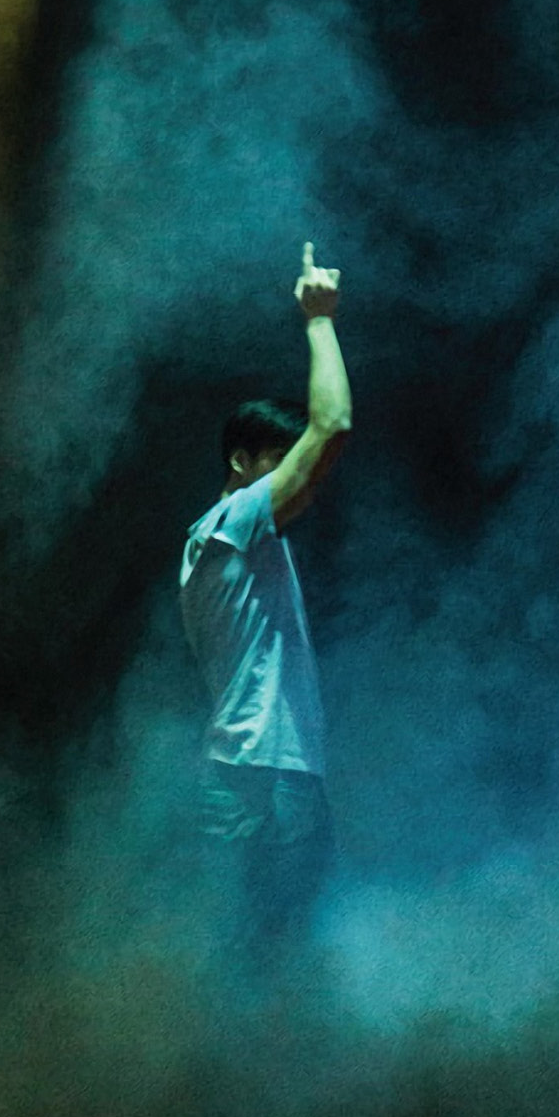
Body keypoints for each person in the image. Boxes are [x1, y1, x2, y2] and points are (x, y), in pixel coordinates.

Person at [177, 242, 350, 979]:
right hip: (264, 776)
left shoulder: (224, 540)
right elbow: (333, 427)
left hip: (251, 773)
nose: (298, 479)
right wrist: (319, 319)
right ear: (242, 462)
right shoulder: (235, 518)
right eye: (281, 458)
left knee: (252, 960)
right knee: (273, 962)